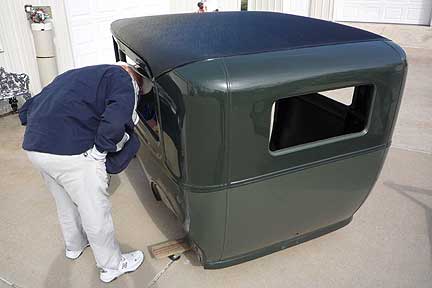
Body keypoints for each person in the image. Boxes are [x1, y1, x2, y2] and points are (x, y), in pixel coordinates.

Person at [19, 62, 152, 283]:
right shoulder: (124, 80)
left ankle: (75, 245)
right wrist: (100, 152)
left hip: (35, 147)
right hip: (70, 152)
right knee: (94, 209)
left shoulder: (77, 74)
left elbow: (27, 109)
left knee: (65, 202)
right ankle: (112, 265)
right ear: (136, 79)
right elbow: (118, 118)